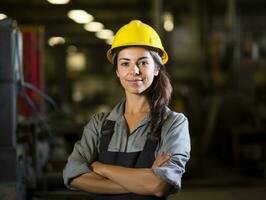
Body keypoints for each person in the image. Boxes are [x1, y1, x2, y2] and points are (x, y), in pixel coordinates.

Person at [63, 19, 191, 200]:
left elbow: (159, 186)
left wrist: (102, 168)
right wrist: (143, 181)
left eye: (143, 63)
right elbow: (72, 175)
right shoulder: (99, 124)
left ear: (156, 69)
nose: (134, 71)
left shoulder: (173, 123)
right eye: (125, 63)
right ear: (116, 71)